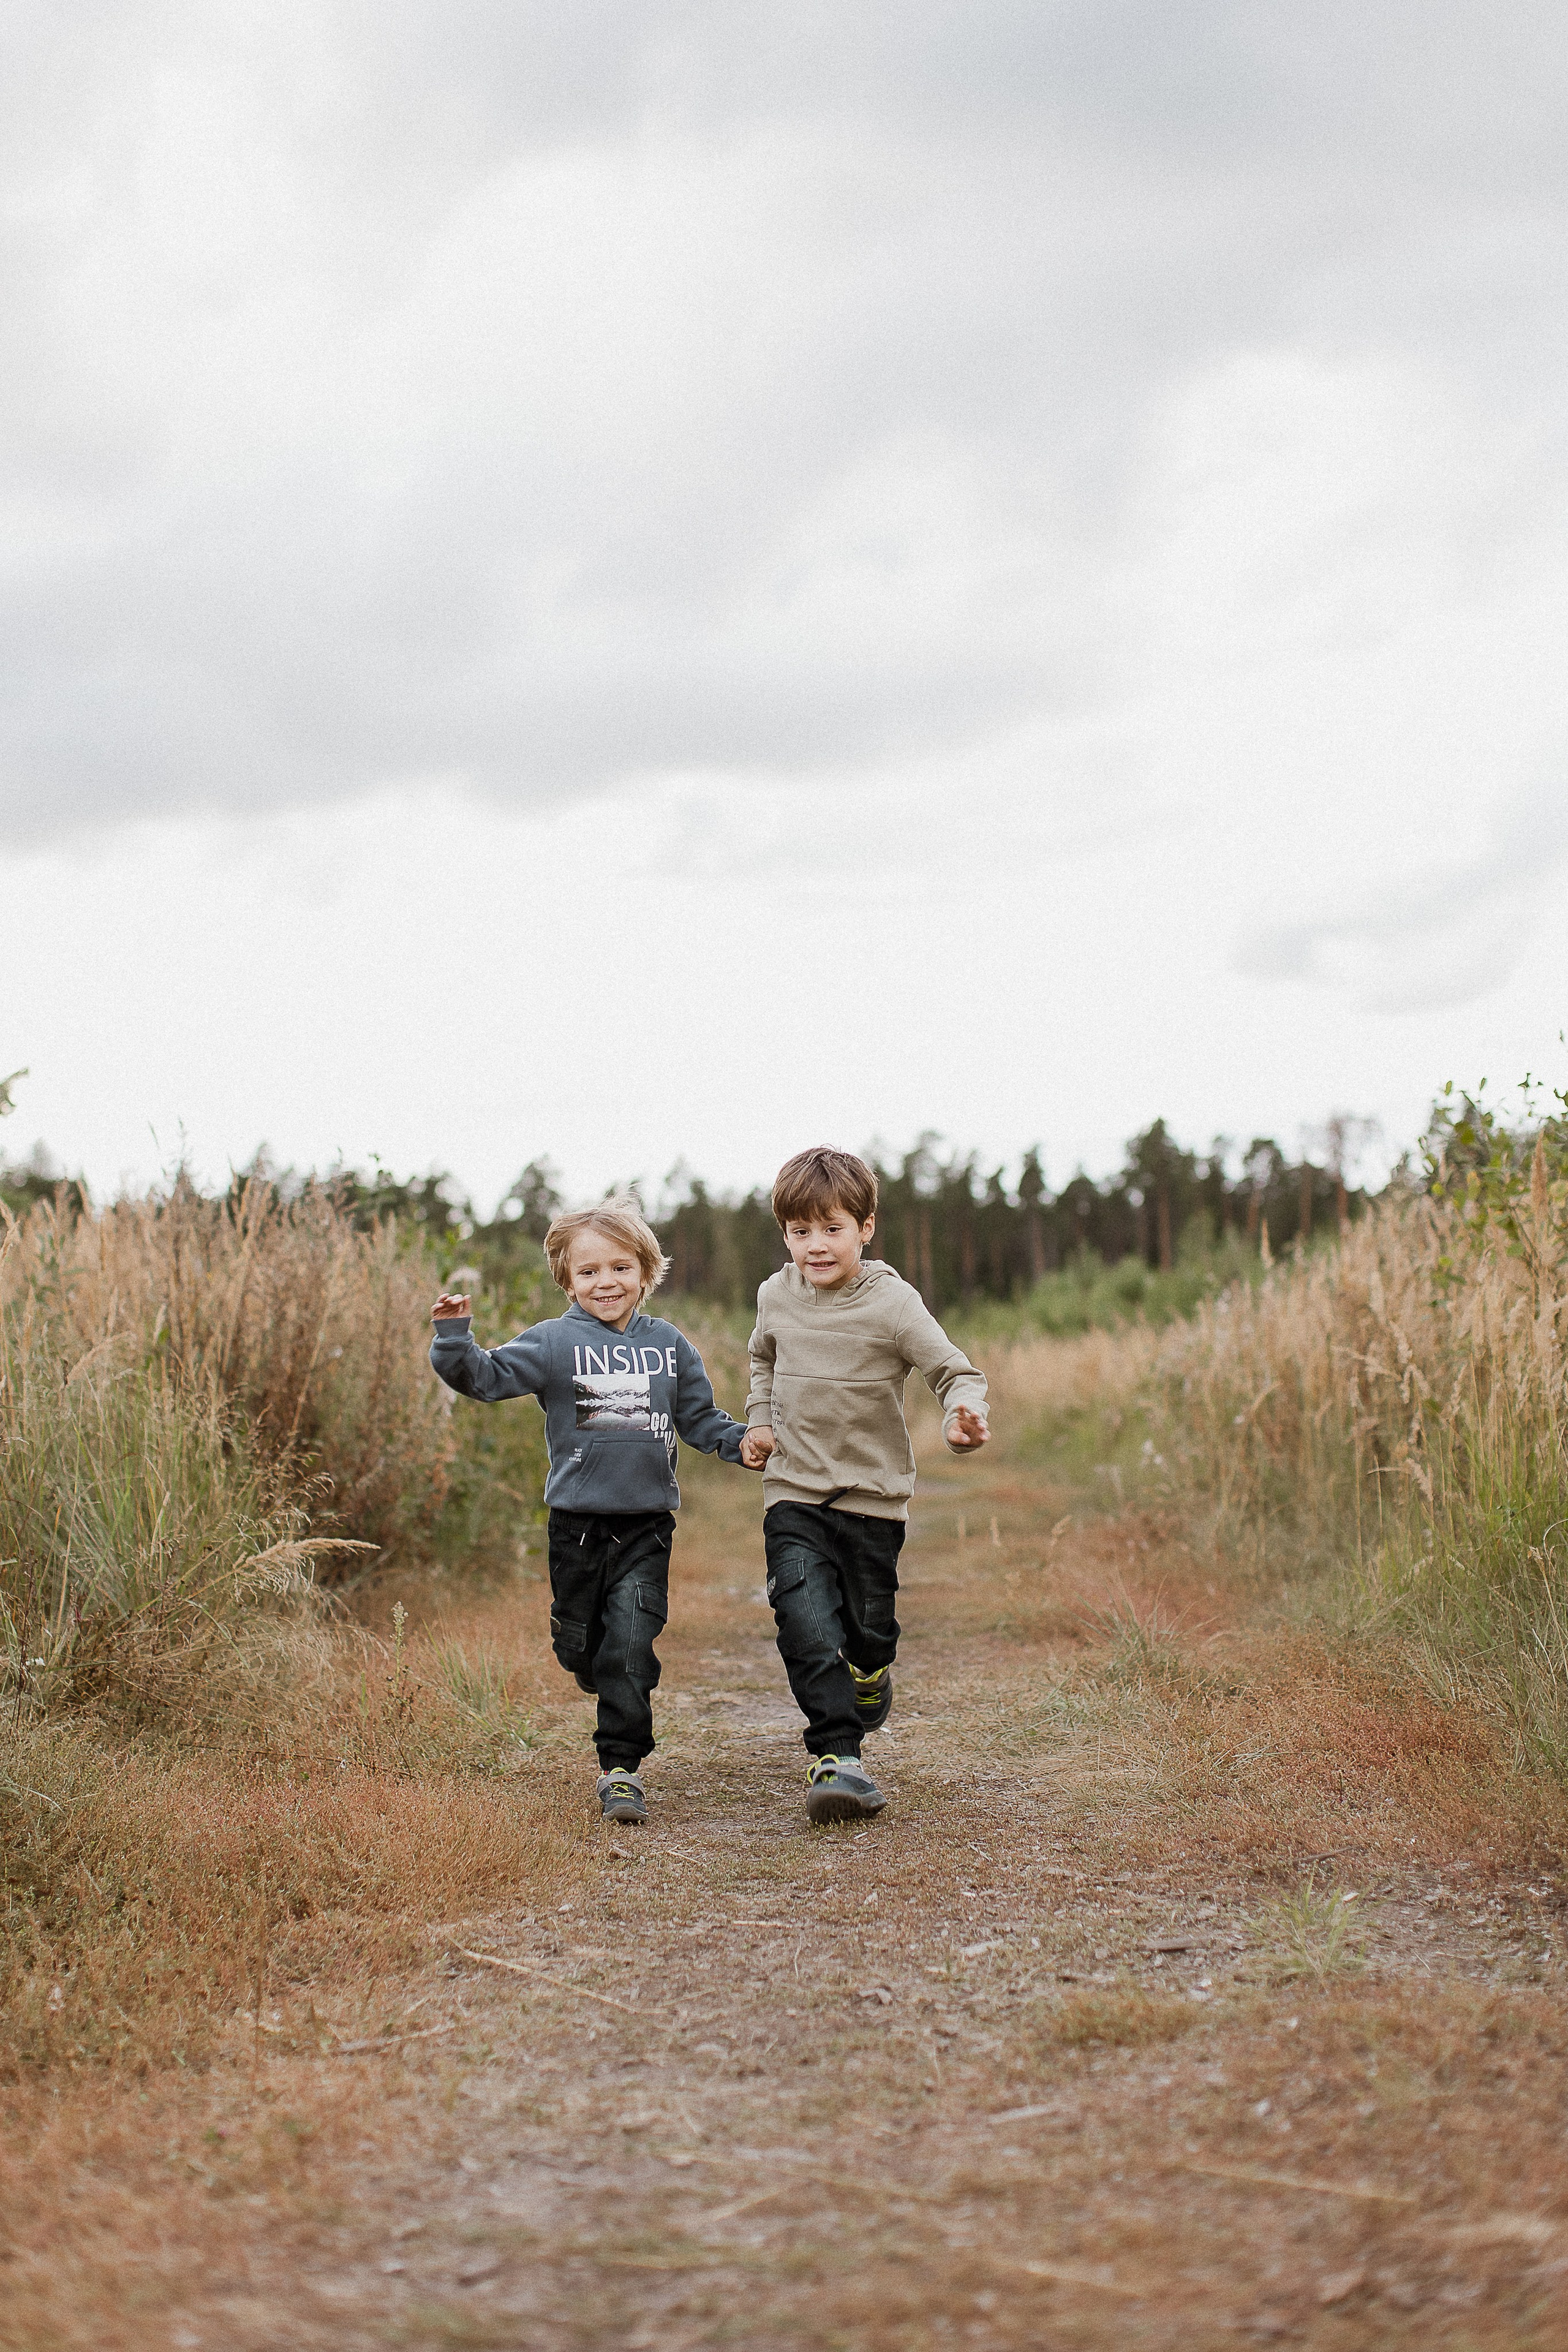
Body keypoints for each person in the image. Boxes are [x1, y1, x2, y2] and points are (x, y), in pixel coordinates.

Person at [429, 1199, 752, 1825]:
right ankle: (585, 1656)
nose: (606, 1282)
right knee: (582, 1647)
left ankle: (621, 1769)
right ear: (566, 1280)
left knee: (631, 1643)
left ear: (645, 1270)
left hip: (646, 1524)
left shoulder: (668, 1346)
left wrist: (740, 1442)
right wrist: (453, 1337)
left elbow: (699, 1419)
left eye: (620, 1268)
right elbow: (486, 1378)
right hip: (576, 1526)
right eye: (589, 1272)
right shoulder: (554, 1343)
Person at [740, 1147, 990, 1824]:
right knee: (803, 1618)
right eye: (799, 1232)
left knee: (866, 1629)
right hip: (792, 1490)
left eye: (832, 1229)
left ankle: (872, 1671)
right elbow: (761, 1360)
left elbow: (953, 1371)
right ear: (784, 1233)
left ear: (866, 1227)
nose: (814, 1246)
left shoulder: (892, 1303)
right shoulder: (774, 1295)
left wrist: (964, 1416)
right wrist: (760, 1421)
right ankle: (837, 1756)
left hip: (872, 1499)